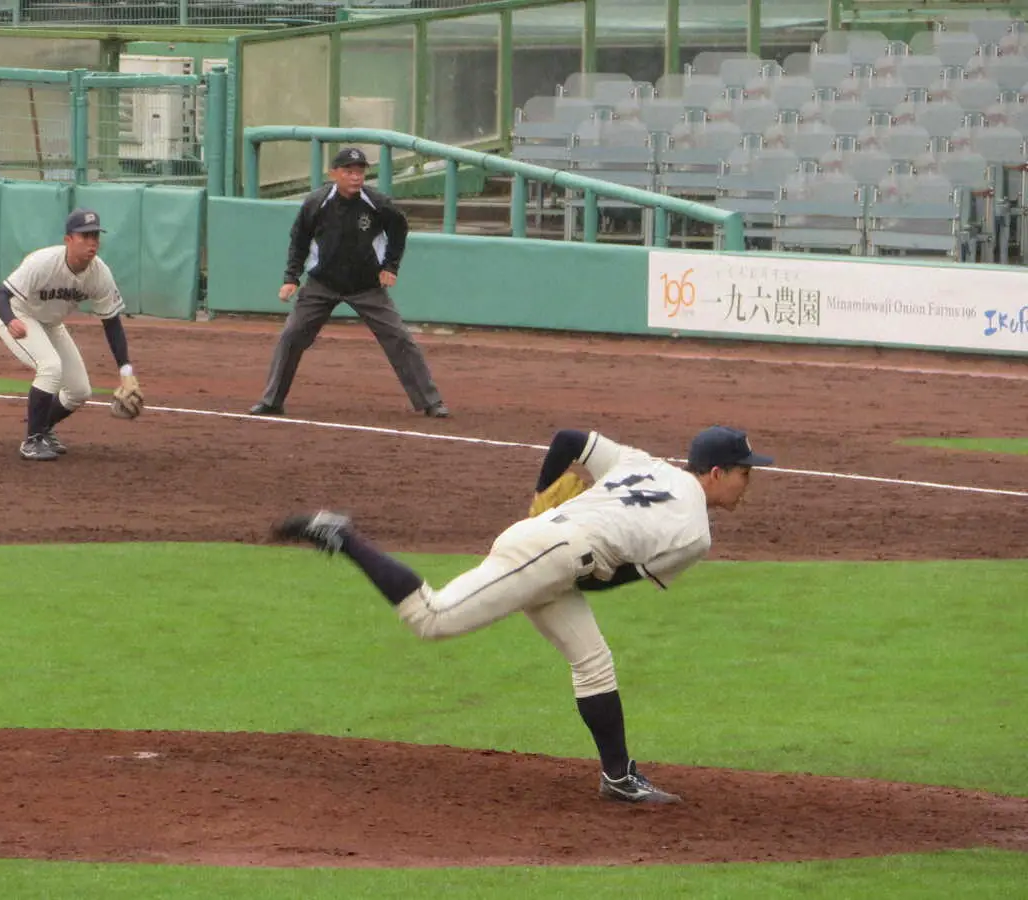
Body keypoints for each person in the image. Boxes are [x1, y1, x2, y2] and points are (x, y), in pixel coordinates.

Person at [272, 425, 774, 803]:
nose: (747, 483)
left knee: (594, 661)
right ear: (715, 473)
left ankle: (618, 777)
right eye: (744, 472)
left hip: (547, 548)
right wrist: (560, 558)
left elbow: (568, 439)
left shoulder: (644, 463)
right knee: (433, 617)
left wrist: (541, 499)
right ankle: (343, 536)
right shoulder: (694, 534)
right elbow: (614, 579)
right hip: (551, 556)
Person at [249, 146, 449, 419]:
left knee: (400, 338)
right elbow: (299, 240)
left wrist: (391, 266)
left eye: (360, 172)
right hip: (322, 284)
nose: (355, 177)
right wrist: (291, 278)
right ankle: (272, 400)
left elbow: (399, 228)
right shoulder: (316, 202)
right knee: (292, 335)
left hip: (366, 286)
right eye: (349, 172)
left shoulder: (377, 203)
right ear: (334, 174)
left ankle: (430, 401)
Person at [0, 208, 140, 461]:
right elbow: (0, 296)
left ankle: (43, 429)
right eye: (84, 236)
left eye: (95, 235)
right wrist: (10, 320)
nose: (92, 242)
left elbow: (112, 323)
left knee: (79, 391)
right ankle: (32, 441)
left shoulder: (99, 274)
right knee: (50, 367)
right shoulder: (44, 263)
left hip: (51, 324)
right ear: (68, 240)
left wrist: (127, 373)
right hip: (20, 316)